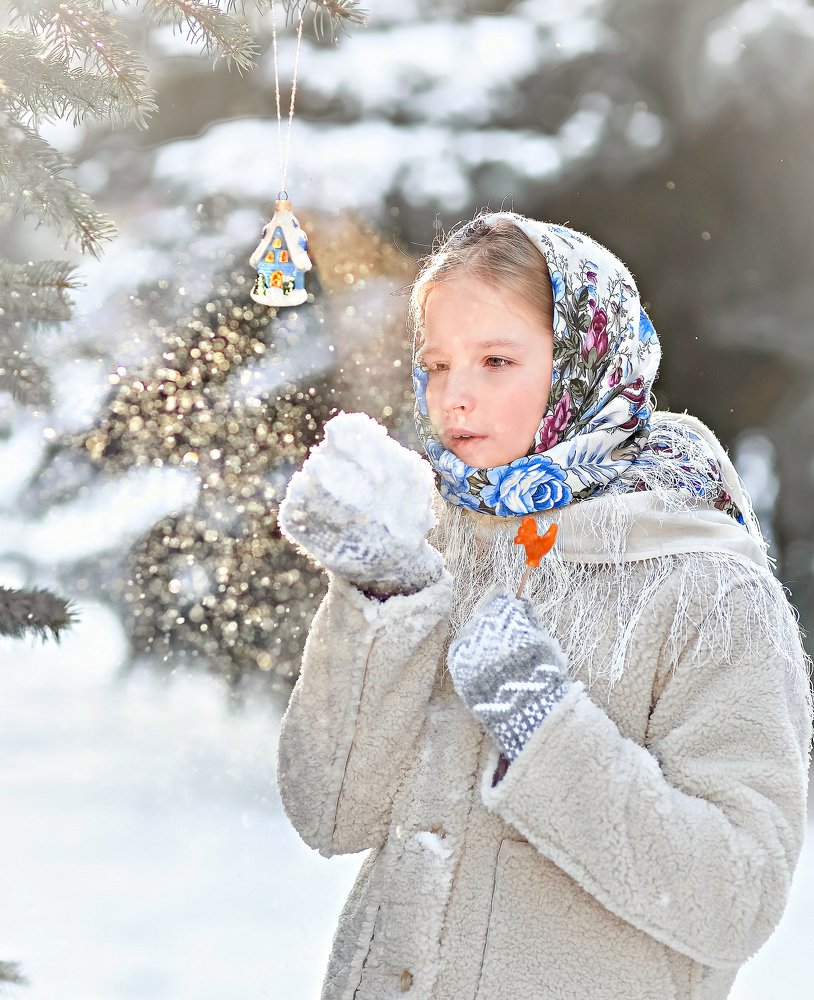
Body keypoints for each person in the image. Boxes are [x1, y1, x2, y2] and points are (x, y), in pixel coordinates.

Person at [274, 212, 813, 1000]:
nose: (454, 397)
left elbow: (736, 897)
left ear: (582, 362)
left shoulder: (709, 589)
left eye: (496, 360)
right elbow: (329, 814)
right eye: (436, 363)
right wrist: (378, 593)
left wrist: (544, 731)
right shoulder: (441, 539)